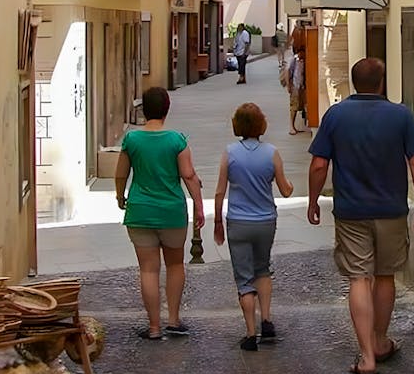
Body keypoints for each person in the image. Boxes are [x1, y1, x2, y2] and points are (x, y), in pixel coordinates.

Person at [307, 58, 414, 374]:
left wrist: (312, 201)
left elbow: (319, 164)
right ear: (381, 82)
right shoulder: (400, 115)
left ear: (353, 82)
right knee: (386, 276)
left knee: (359, 278)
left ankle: (366, 357)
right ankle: (378, 341)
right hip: (391, 210)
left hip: (351, 212)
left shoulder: (336, 115)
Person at [115, 87, 205, 341]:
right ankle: (174, 321)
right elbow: (189, 175)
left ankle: (154, 327)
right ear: (167, 109)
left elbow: (121, 173)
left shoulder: (131, 140)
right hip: (171, 212)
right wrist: (199, 205)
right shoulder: (177, 140)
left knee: (148, 270)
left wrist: (120, 195)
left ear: (144, 110)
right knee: (175, 265)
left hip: (140, 210)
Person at [214, 103, 295, 351]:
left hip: (238, 222)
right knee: (263, 269)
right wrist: (286, 182)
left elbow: (219, 192)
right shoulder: (272, 153)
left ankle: (250, 334)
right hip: (265, 221)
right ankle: (267, 320)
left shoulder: (230, 153)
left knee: (244, 278)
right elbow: (286, 190)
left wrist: (217, 221)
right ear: (261, 124)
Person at [286, 51, 306, 134]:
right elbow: (287, 71)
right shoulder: (294, 60)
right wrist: (288, 85)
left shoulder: (304, 60)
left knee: (301, 106)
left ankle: (295, 126)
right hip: (295, 85)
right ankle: (291, 126)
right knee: (294, 106)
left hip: (302, 86)